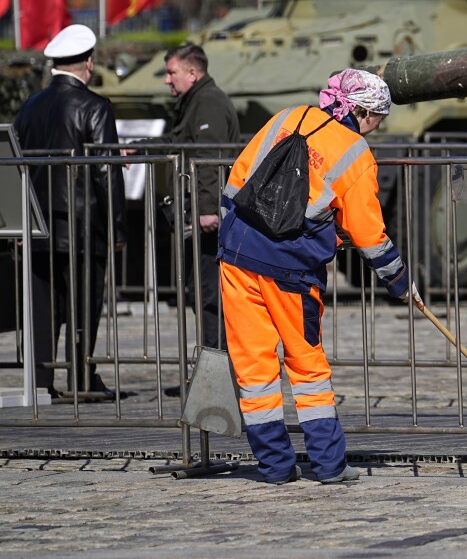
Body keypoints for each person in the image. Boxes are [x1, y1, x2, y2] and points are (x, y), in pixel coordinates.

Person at [218, 68, 412, 484]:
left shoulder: (287, 116)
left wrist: (234, 238)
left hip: (237, 255)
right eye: (379, 116)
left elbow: (236, 180)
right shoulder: (356, 154)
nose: (378, 126)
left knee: (253, 370)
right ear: (360, 111)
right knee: (307, 367)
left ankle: (274, 467)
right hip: (291, 268)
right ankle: (328, 465)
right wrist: (399, 281)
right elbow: (369, 235)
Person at [14, 25, 130, 401]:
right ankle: (82, 377)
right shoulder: (96, 107)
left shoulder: (30, 105)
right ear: (89, 62)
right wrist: (116, 229)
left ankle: (42, 382)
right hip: (83, 227)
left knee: (44, 307)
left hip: (36, 224)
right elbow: (105, 172)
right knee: (84, 304)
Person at [146, 45, 239, 391]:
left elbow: (208, 158)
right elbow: (176, 144)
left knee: (210, 297)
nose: (167, 80)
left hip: (207, 220)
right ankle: (210, 374)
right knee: (201, 296)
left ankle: (217, 380)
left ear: (192, 73)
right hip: (195, 217)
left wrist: (206, 209)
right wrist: (138, 147)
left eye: (172, 72)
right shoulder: (194, 102)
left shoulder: (208, 102)